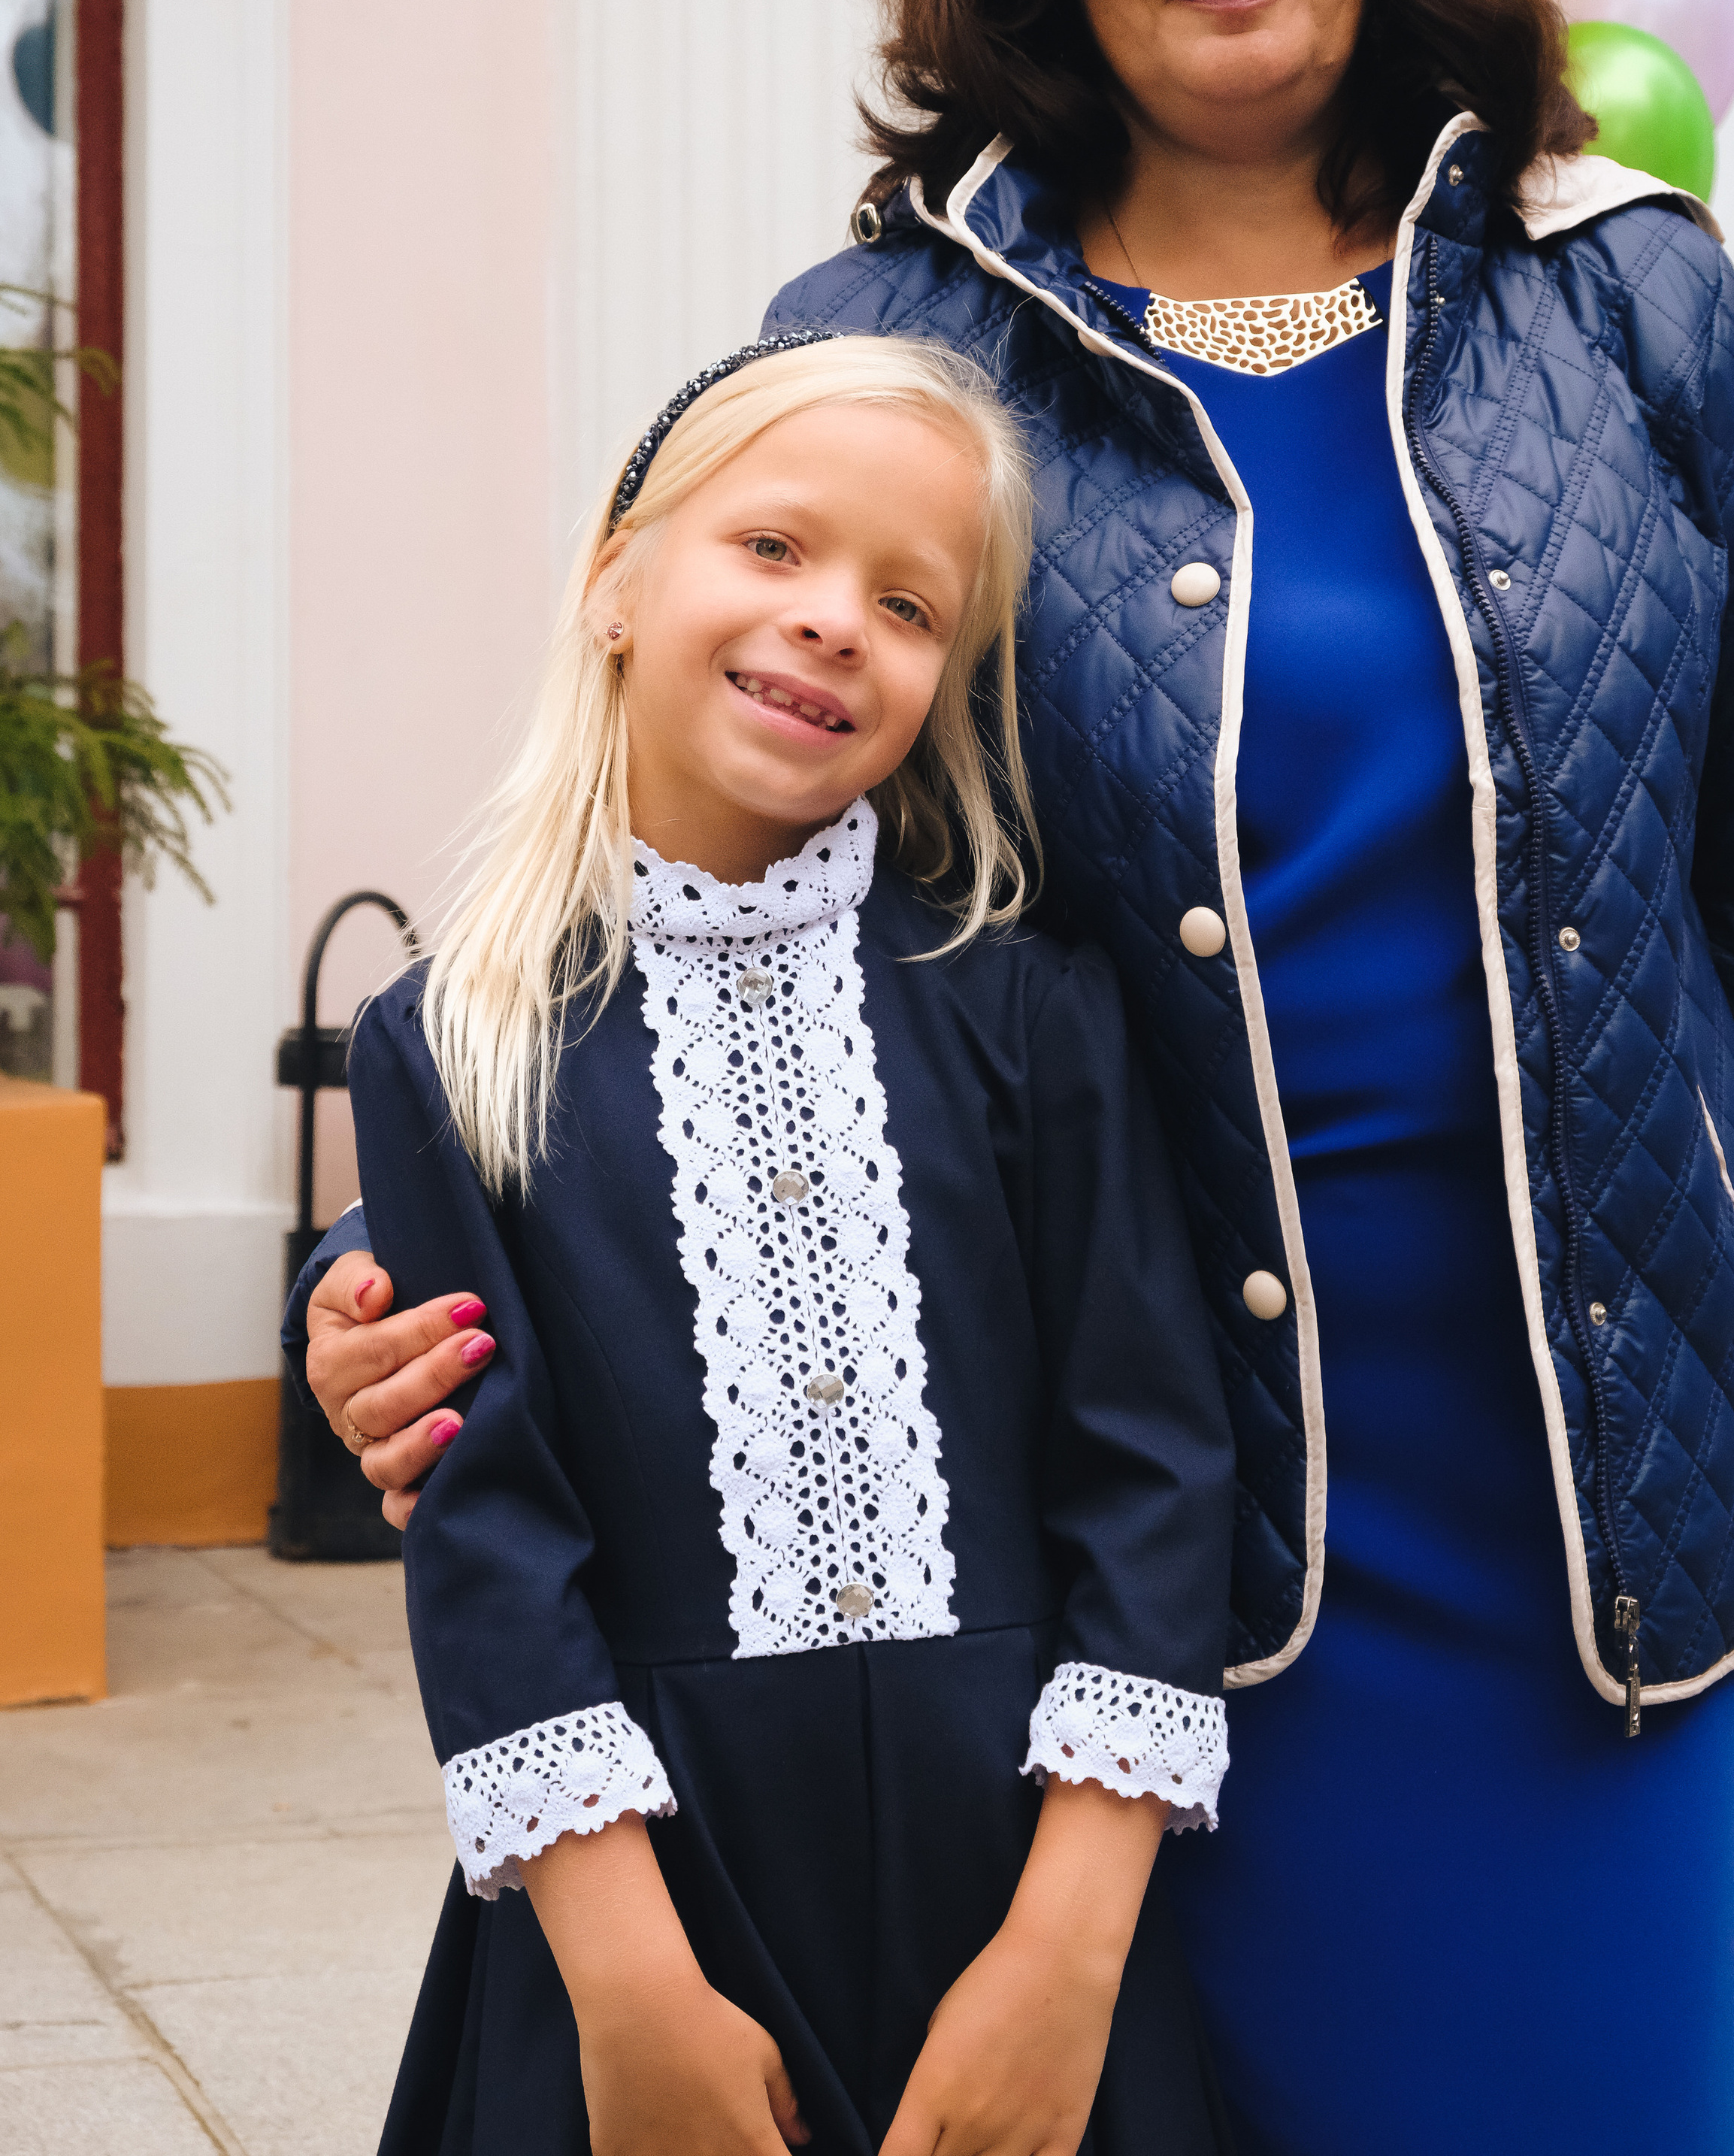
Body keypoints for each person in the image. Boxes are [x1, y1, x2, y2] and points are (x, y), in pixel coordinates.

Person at [297, 0, 1734, 2156]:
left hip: (1579, 1502)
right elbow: (685, 897)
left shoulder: (1631, 305)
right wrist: (435, 1272)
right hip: (1097, 1528)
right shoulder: (889, 348)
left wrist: (1554, 1123)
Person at [337, 329, 1238, 2156]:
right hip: (652, 1888)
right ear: (613, 583)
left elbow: (1153, 1463)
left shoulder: (1032, 1014)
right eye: (773, 550)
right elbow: (490, 1530)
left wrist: (1068, 1946)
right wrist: (626, 1982)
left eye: (909, 605)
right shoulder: (445, 1049)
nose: (835, 619)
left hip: (1015, 1861)